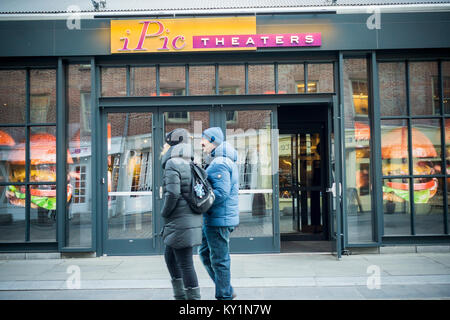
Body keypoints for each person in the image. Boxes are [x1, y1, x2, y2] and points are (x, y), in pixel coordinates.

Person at [160, 128, 202, 300]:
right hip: (188, 217)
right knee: (170, 256)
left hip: (179, 219)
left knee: (185, 262)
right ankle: (180, 296)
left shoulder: (172, 163)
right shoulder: (191, 162)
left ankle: (193, 300)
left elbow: (172, 193)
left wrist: (164, 212)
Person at [199, 127, 239, 300]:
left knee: (219, 260)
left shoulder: (220, 163)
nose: (201, 143)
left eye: (204, 140)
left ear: (213, 140)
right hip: (215, 218)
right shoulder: (220, 161)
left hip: (218, 220)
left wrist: (200, 202)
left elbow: (221, 193)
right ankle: (226, 289)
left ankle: (225, 296)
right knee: (205, 253)